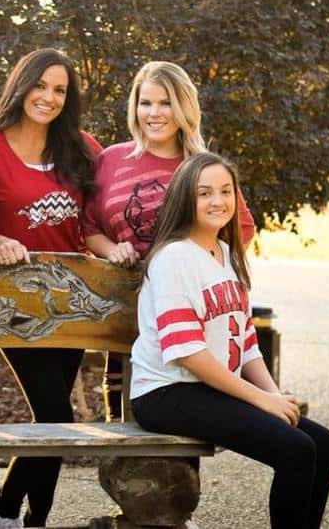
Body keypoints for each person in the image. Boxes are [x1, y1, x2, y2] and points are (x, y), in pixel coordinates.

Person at [130, 152, 329, 529]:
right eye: (204, 193)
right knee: (296, 450)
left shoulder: (226, 254)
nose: (218, 201)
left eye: (226, 191)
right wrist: (260, 399)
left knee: (323, 443)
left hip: (207, 390)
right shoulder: (174, 258)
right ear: (185, 199)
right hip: (165, 393)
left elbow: (245, 342)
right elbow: (190, 354)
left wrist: (276, 398)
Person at [82, 60, 255, 420]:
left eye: (165, 103)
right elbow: (89, 229)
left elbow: (241, 230)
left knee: (186, 418)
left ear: (183, 108)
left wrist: (194, 268)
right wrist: (113, 248)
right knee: (125, 418)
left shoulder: (200, 166)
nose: (154, 113)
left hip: (187, 315)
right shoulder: (111, 160)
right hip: (124, 306)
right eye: (145, 103)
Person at [0, 48, 101, 529]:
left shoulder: (82, 147)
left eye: (60, 90)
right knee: (54, 413)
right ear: (21, 85)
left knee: (54, 414)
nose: (48, 97)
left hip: (68, 296)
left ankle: (14, 516)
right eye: (41, 85)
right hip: (12, 298)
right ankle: (20, 518)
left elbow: (98, 218)